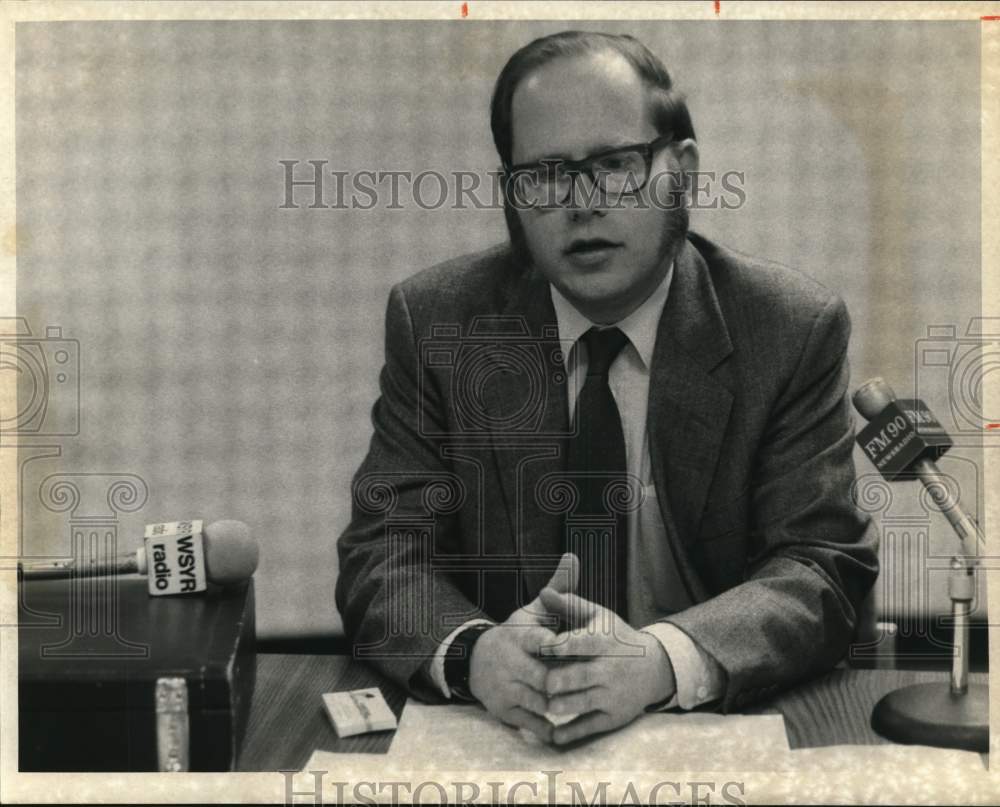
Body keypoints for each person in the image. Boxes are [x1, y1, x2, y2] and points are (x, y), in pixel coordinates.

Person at [335, 30, 879, 746]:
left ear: (680, 171)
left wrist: (659, 660)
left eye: (615, 165)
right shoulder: (440, 321)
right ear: (511, 196)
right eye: (545, 175)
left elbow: (820, 567)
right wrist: (475, 652)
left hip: (708, 731)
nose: (580, 203)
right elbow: (383, 552)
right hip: (509, 740)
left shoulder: (786, 328)